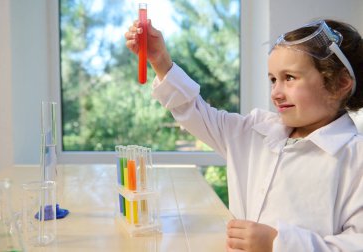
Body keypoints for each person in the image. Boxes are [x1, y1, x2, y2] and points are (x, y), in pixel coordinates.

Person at [125, 18, 363, 251]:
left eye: (289, 78)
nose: (276, 93)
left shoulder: (356, 159)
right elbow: (194, 111)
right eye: (273, 80)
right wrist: (160, 60)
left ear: (340, 83)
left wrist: (277, 244)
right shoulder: (254, 132)